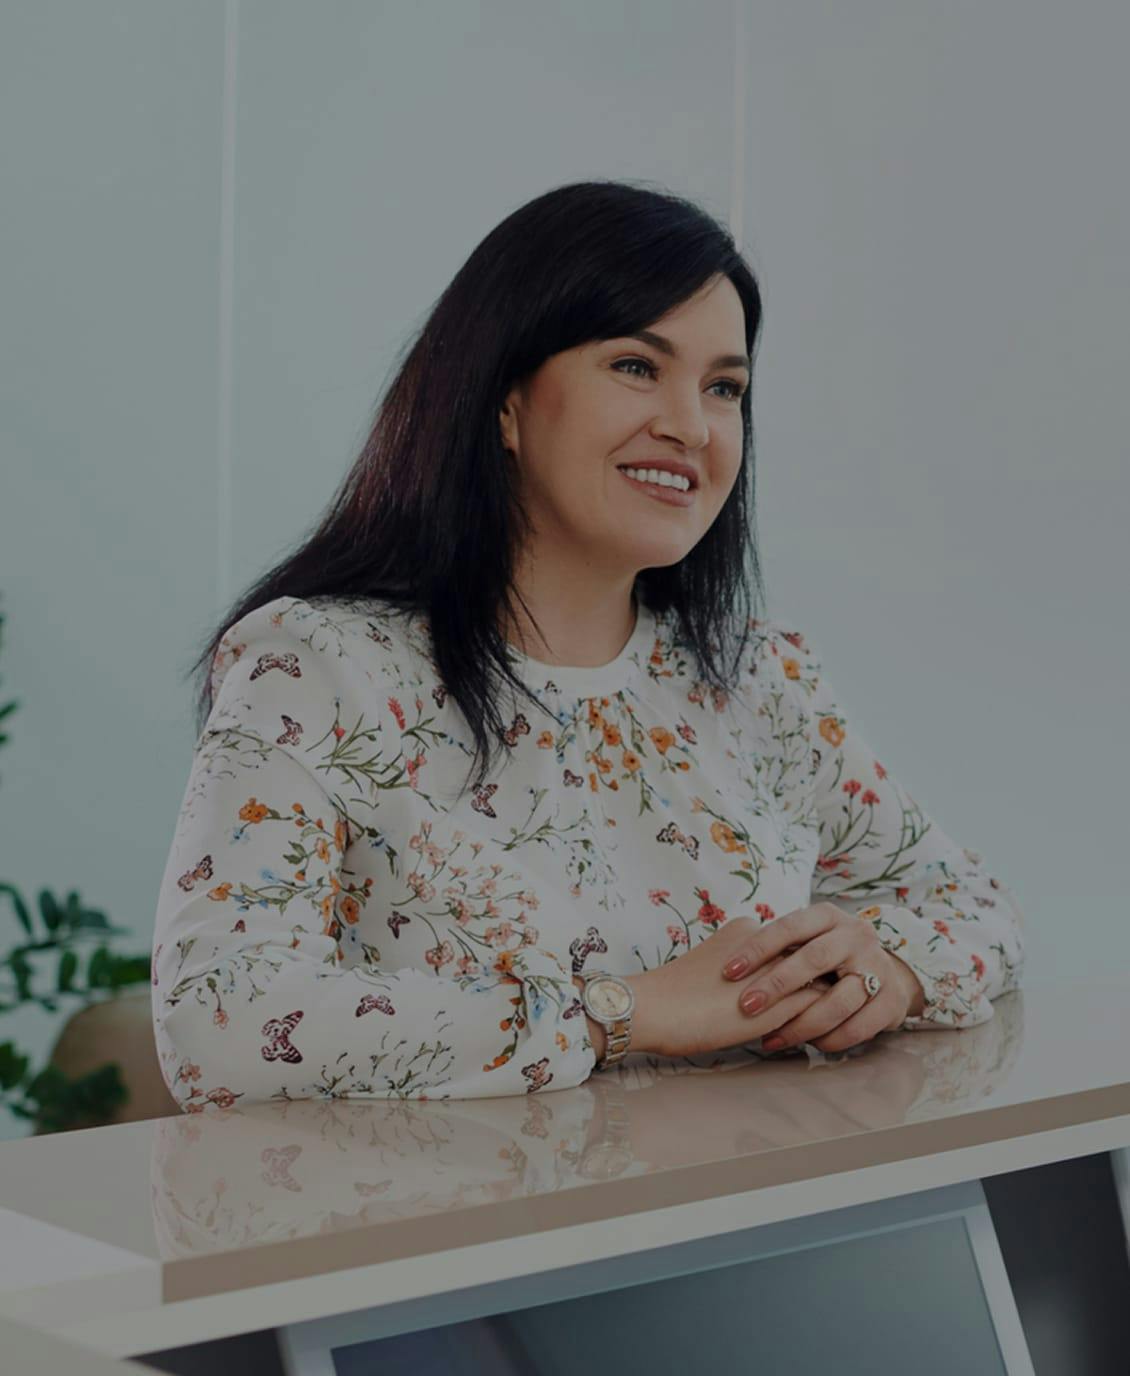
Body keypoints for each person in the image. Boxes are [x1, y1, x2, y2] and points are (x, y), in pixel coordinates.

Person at [151, 180, 1025, 1110]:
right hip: (455, 1242)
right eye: (636, 367)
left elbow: (975, 910)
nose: (691, 425)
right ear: (506, 401)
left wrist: (887, 965)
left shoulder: (761, 678)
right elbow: (219, 1026)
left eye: (724, 387)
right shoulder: (317, 665)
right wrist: (624, 1013)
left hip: (755, 1224)